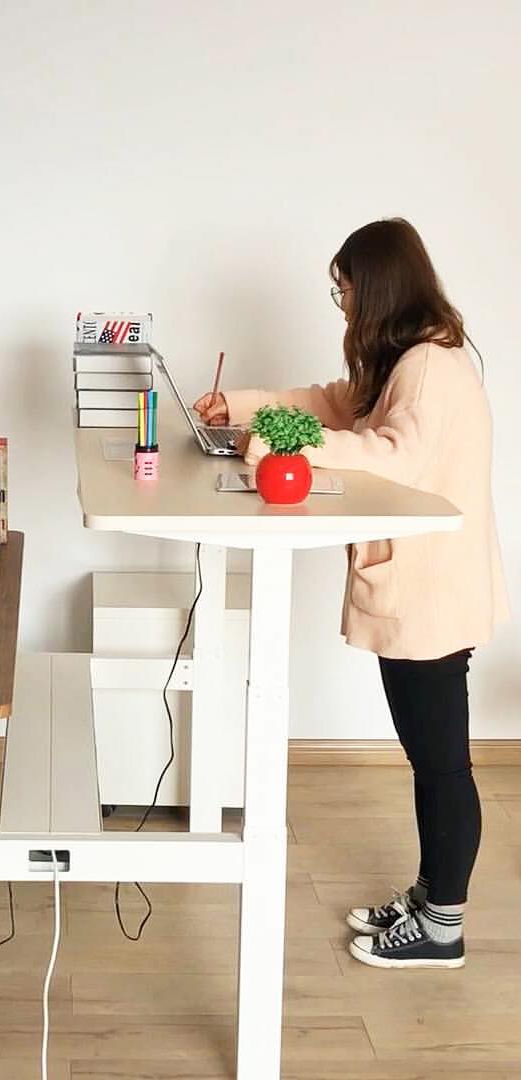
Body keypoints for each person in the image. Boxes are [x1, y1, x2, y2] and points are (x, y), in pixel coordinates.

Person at [194, 218, 508, 970]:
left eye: (345, 288)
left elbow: (389, 454)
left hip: (432, 591)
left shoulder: (430, 365)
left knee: (441, 765)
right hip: (423, 584)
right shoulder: (405, 358)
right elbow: (331, 403)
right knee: (430, 757)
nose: (341, 304)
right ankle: (433, 895)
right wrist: (237, 407)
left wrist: (280, 442)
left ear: (378, 286)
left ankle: (443, 927)